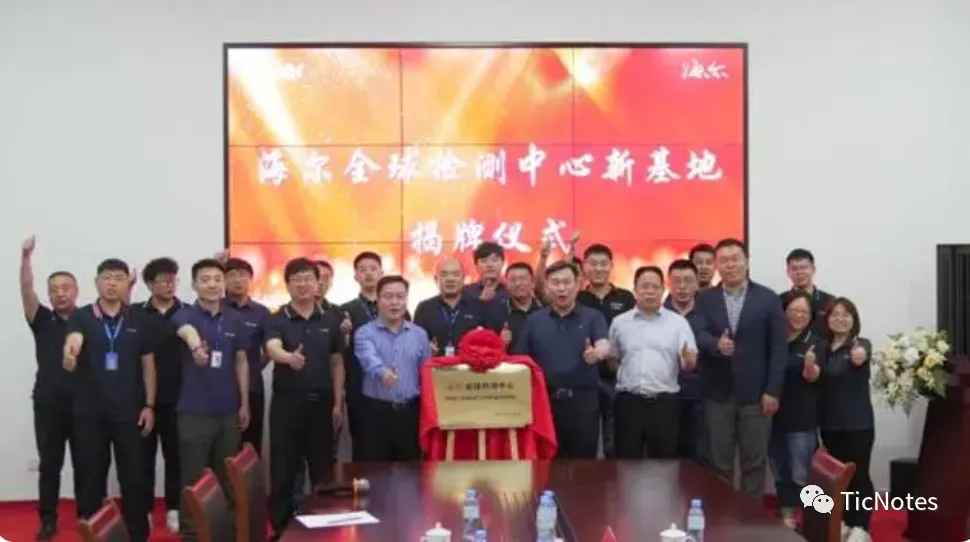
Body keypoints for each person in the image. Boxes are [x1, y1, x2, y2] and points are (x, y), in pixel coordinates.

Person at [63, 258, 156, 542]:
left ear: (127, 282)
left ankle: (137, 534)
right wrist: (70, 353)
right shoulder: (82, 316)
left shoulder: (138, 318)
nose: (112, 283)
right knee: (90, 477)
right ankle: (92, 532)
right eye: (106, 277)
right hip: (90, 414)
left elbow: (148, 364)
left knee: (134, 478)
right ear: (96, 282)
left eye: (118, 277)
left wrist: (149, 405)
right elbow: (74, 339)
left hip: (130, 413)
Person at [694, 238, 786, 500]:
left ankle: (750, 519)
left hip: (756, 396)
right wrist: (715, 344)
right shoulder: (705, 299)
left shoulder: (767, 298)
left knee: (754, 463)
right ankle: (722, 517)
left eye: (735, 259)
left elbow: (778, 348)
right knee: (719, 464)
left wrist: (773, 391)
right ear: (717, 265)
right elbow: (698, 333)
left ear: (746, 262)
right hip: (717, 394)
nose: (730, 265)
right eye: (724, 260)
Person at [170, 258, 251, 542]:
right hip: (194, 411)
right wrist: (196, 349)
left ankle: (225, 532)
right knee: (193, 477)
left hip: (228, 410)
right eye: (205, 280)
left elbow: (241, 361)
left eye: (217, 279)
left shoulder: (234, 318)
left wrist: (244, 402)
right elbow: (186, 332)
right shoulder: (184, 314)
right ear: (194, 285)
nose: (213, 285)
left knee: (226, 476)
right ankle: (191, 533)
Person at [263, 258, 346, 534]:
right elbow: (272, 347)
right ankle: (282, 527)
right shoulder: (277, 317)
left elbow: (337, 363)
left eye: (307, 278)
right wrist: (288, 358)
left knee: (322, 468)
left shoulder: (331, 319)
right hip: (287, 405)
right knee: (284, 467)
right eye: (296, 279)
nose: (302, 284)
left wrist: (338, 403)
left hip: (322, 405)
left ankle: (325, 525)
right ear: (287, 285)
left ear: (317, 283)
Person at [513, 260, 609, 458]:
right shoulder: (535, 320)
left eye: (567, 282)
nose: (562, 288)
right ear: (547, 287)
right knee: (546, 462)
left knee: (584, 464)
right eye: (555, 283)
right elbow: (521, 360)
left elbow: (604, 343)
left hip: (582, 403)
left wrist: (597, 353)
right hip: (544, 403)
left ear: (578, 284)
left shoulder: (593, 316)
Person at [20, 235, 81, 540]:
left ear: (76, 291)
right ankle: (47, 519)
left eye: (65, 288)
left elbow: (118, 311)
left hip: (84, 406)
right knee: (50, 466)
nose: (59, 293)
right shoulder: (42, 319)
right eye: (54, 290)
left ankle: (88, 516)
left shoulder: (88, 318)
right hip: (48, 405)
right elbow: (26, 290)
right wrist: (26, 258)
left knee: (87, 464)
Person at [610, 266, 697, 459]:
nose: (650, 291)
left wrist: (689, 360)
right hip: (629, 403)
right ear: (635, 290)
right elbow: (613, 360)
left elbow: (689, 364)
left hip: (664, 405)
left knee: (664, 464)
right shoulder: (619, 323)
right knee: (626, 463)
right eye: (645, 286)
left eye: (655, 287)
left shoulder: (678, 323)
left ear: (663, 290)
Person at [130, 257, 187, 534]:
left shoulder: (187, 312)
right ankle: (144, 511)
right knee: (142, 459)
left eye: (172, 280)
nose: (169, 285)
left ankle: (174, 508)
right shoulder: (136, 313)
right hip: (143, 400)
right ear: (150, 284)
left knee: (176, 457)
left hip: (179, 398)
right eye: (162, 280)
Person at [354, 275, 432, 461]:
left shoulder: (419, 335)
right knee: (374, 469)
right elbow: (368, 358)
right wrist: (383, 373)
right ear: (377, 299)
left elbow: (426, 372)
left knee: (410, 468)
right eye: (388, 296)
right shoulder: (364, 332)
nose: (395, 302)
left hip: (410, 412)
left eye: (400, 296)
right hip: (376, 411)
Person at [819, 297, 875, 535]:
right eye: (835, 315)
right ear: (827, 319)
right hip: (829, 425)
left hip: (857, 425)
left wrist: (859, 355)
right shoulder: (821, 348)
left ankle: (860, 527)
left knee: (858, 476)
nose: (840, 319)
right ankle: (840, 524)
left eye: (845, 315)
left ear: (854, 319)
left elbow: (861, 354)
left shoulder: (860, 344)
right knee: (836, 478)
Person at [771, 291, 825, 528]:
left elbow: (815, 375)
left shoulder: (816, 342)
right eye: (794, 310)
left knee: (802, 474)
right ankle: (788, 513)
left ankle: (815, 520)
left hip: (801, 418)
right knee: (780, 470)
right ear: (784, 312)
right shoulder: (774, 339)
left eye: (805, 312)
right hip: (772, 416)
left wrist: (810, 369)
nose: (799, 315)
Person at [577, 243, 636, 459]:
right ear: (584, 267)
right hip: (585, 374)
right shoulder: (577, 298)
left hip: (617, 375)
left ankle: (614, 476)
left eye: (603, 264)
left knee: (615, 436)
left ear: (611, 266)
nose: (598, 269)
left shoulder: (626, 298)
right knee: (586, 436)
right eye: (593, 264)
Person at [338, 251, 384, 461]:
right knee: (363, 444)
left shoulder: (395, 307)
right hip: (359, 386)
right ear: (355, 276)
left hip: (390, 386)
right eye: (362, 270)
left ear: (381, 273)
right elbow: (339, 352)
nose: (368, 274)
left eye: (373, 269)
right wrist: (345, 334)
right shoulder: (345, 311)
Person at [222, 257, 270, 455]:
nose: (238, 280)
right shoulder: (217, 308)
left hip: (252, 388)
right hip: (221, 388)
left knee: (250, 446)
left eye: (243, 276)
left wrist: (255, 367)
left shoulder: (262, 312)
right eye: (232, 275)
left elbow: (269, 349)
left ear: (251, 280)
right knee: (223, 447)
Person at [664, 259, 707, 465]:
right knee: (666, 457)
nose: (682, 287)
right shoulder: (658, 314)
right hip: (665, 397)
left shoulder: (708, 313)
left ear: (697, 283)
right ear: (668, 283)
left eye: (688, 281)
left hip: (701, 396)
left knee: (699, 458)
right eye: (677, 281)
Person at [414, 257, 498, 356]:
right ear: (436, 279)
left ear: (463, 279)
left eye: (456, 274)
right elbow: (415, 343)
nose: (450, 279)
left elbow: (492, 344)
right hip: (435, 364)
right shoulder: (424, 308)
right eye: (444, 274)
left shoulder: (479, 307)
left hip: (469, 365)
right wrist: (426, 348)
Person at [779, 248, 834, 336]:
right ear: (788, 272)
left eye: (804, 268)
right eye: (794, 268)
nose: (799, 272)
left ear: (813, 269)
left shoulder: (830, 301)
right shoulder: (778, 302)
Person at [497, 262, 543, 348]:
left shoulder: (545, 309)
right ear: (506, 284)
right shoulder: (497, 312)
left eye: (523, 279)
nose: (518, 283)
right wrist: (500, 343)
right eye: (513, 280)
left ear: (533, 282)